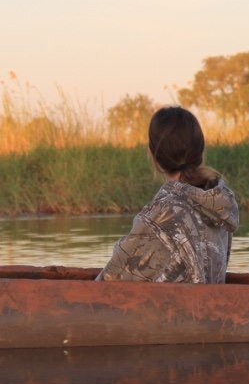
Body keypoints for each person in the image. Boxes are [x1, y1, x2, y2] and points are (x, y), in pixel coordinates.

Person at [98, 106, 239, 283]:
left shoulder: (161, 213)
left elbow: (110, 280)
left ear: (152, 153)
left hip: (176, 309)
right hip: (207, 307)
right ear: (201, 152)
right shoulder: (217, 204)